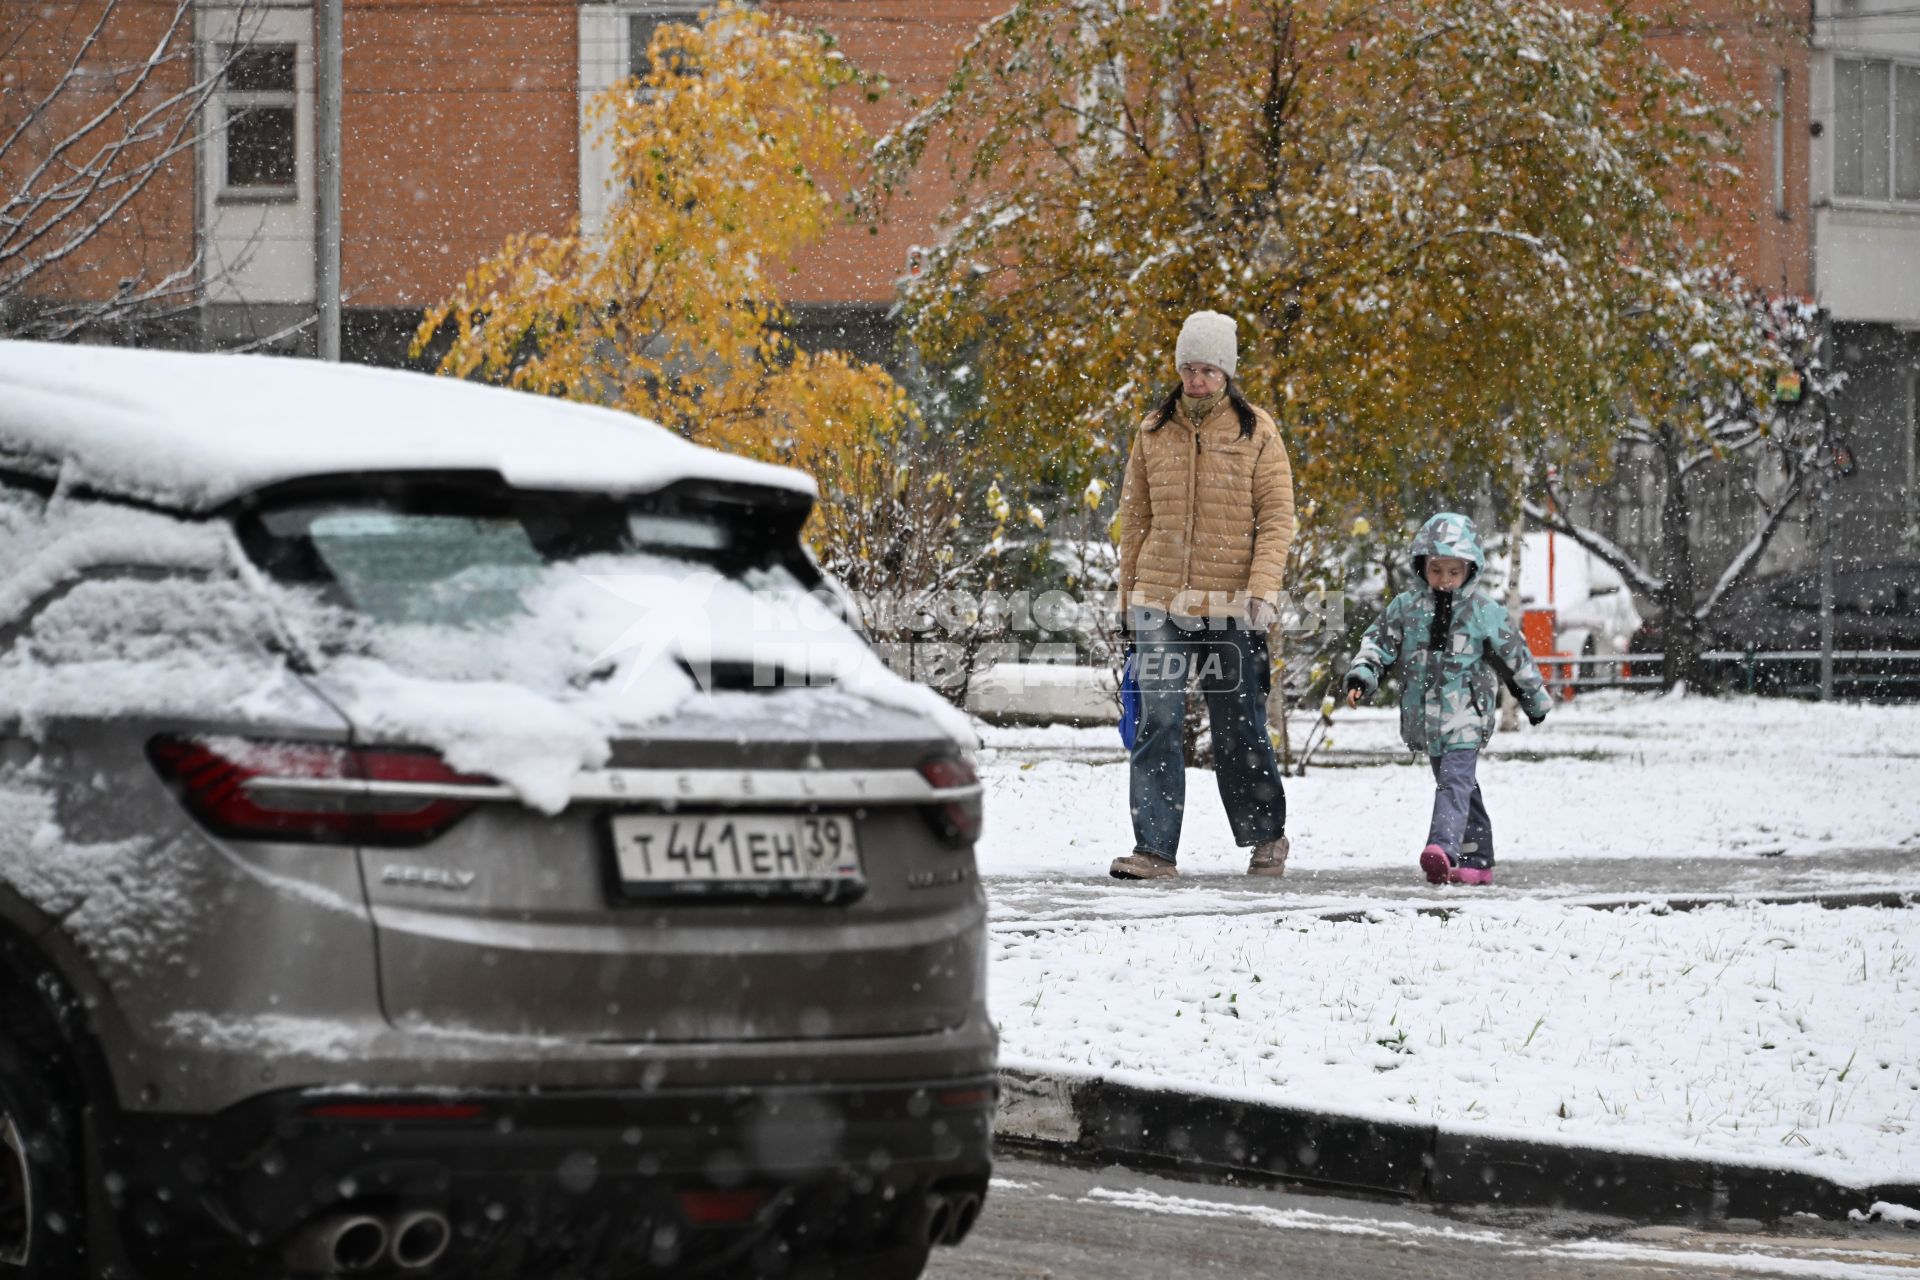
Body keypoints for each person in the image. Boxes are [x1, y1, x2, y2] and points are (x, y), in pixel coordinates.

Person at [1110, 310, 1295, 881]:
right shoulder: (1151, 431)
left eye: (1208, 370)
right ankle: (1154, 851)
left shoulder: (1256, 430)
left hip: (1231, 603)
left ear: (1227, 373)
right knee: (1158, 721)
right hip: (1160, 599)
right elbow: (1134, 517)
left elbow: (1278, 517)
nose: (1196, 380)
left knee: (1237, 722)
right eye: (1189, 368)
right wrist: (1126, 599)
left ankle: (1266, 837)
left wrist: (1263, 590)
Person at [1342, 512, 1553, 886]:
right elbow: (1379, 643)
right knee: (1460, 785)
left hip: (1467, 713)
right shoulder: (1406, 608)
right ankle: (1478, 859)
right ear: (1422, 566)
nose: (1444, 580)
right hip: (1427, 716)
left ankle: (1442, 847)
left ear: (1470, 569)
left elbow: (1514, 655)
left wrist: (1534, 699)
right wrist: (1364, 674)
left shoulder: (1483, 611)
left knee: (1454, 781)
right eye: (1436, 570)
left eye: (1453, 572)